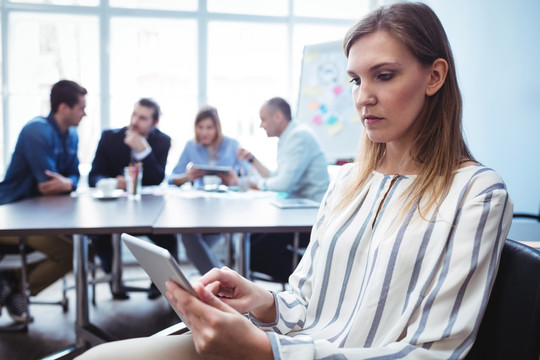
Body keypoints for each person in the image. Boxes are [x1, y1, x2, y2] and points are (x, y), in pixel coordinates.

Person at [76, 2, 514, 359]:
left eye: (384, 75)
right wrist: (262, 302)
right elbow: (305, 303)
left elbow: (432, 354)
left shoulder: (475, 193)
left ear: (434, 76)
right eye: (355, 80)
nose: (363, 97)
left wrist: (268, 352)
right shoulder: (347, 182)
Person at [0, 79, 87, 323]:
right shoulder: (36, 130)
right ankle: (15, 288)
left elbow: (74, 176)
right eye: (81, 107)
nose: (85, 113)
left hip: (41, 215)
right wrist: (66, 183)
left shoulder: (72, 135)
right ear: (63, 107)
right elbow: (47, 185)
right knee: (73, 254)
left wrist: (69, 183)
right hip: (11, 217)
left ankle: (11, 285)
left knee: (85, 251)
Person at [88, 98, 176, 299]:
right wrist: (110, 182)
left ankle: (161, 284)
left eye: (143, 118)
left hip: (147, 211)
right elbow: (95, 176)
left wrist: (144, 150)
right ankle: (114, 280)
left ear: (154, 123)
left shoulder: (162, 141)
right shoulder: (109, 138)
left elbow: (157, 178)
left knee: (168, 236)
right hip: (113, 210)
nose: (135, 121)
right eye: (134, 114)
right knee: (100, 236)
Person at [238, 97, 330, 283]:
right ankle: (309, 275)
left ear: (278, 116)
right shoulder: (289, 137)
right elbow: (276, 177)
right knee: (250, 241)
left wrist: (253, 185)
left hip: (309, 217)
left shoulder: (298, 137)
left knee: (253, 252)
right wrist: (252, 161)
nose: (261, 125)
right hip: (297, 211)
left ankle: (313, 280)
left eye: (263, 119)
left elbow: (282, 184)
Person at [169, 106, 251, 275]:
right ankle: (223, 280)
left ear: (217, 128)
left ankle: (220, 279)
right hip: (200, 210)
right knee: (189, 236)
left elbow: (251, 178)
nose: (204, 132)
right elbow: (171, 179)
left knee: (194, 245)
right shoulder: (191, 146)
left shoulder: (232, 145)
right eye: (200, 127)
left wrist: (234, 181)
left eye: (209, 127)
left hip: (227, 210)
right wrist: (187, 177)